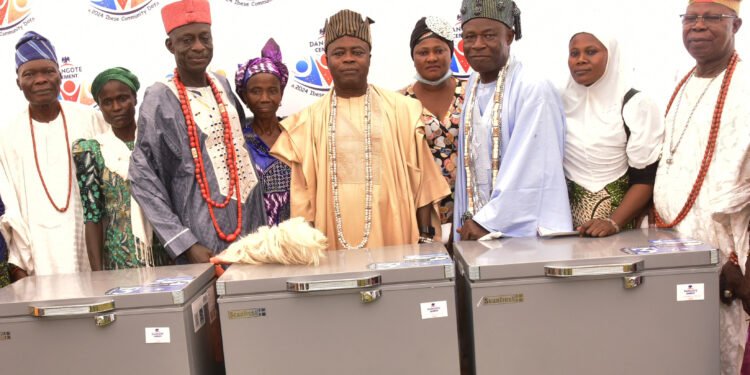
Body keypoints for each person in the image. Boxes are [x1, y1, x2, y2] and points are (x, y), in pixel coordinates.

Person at [271, 9, 450, 250]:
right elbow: (302, 202)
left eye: (357, 52)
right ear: (326, 60)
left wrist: (426, 239)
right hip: (330, 245)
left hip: (396, 241)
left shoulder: (403, 110)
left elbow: (423, 183)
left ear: (369, 57)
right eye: (339, 53)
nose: (348, 59)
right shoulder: (307, 123)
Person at [651, 0, 749, 373]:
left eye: (712, 17)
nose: (698, 26)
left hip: (728, 254)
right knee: (676, 348)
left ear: (736, 25)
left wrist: (743, 268)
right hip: (672, 244)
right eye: (690, 18)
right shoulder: (682, 79)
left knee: (720, 352)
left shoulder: (745, 86)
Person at [129, 0, 265, 264]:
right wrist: (184, 242)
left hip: (250, 222)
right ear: (171, 46)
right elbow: (142, 176)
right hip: (202, 235)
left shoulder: (222, 84)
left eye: (205, 37)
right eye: (187, 40)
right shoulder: (160, 97)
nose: (198, 47)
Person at [453, 0, 573, 240]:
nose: (477, 45)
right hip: (479, 226)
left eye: (488, 35)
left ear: (509, 36)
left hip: (523, 233)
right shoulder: (473, 86)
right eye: (469, 37)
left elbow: (532, 168)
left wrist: (488, 221)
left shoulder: (533, 87)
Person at [0, 31, 106, 278]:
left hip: (89, 247)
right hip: (37, 255)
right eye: (30, 74)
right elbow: (9, 206)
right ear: (18, 82)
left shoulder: (91, 119)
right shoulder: (7, 136)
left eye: (48, 71)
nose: (40, 80)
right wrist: (19, 261)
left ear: (60, 75)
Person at [562, 30, 663, 237]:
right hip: (566, 232)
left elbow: (645, 177)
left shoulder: (635, 104)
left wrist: (613, 222)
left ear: (612, 56)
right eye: (574, 53)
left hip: (623, 230)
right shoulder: (558, 102)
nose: (581, 60)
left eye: (591, 52)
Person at [72, 67, 171, 270]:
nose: (116, 107)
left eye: (123, 98)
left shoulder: (155, 142)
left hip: (168, 253)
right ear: (99, 106)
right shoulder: (92, 151)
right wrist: (98, 274)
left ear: (135, 99)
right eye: (107, 102)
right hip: (119, 261)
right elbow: (93, 217)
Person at [400, 16, 466, 234]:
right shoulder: (399, 103)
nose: (431, 58)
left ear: (451, 53)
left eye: (439, 50)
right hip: (421, 214)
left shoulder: (473, 94)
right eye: (423, 52)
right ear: (412, 56)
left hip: (471, 212)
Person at [235, 38, 291, 226]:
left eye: (272, 90)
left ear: (281, 94)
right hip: (255, 238)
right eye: (256, 91)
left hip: (297, 238)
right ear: (244, 97)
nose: (265, 98)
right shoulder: (238, 142)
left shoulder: (298, 134)